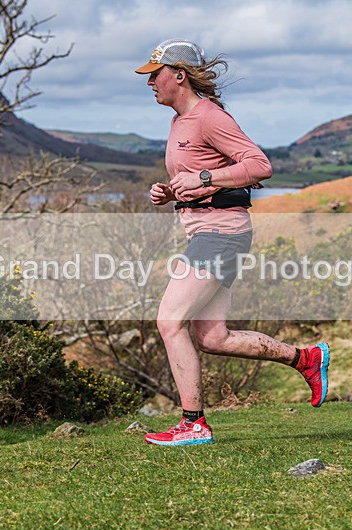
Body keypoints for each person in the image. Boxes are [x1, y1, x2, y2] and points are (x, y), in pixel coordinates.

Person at [135, 38, 329, 446]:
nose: (150, 82)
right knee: (212, 337)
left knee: (169, 321)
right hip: (210, 230)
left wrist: (202, 180)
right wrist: (173, 192)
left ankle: (193, 424)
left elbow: (260, 166)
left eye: (155, 75)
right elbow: (202, 176)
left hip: (220, 234)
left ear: (179, 75)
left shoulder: (209, 117)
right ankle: (306, 359)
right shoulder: (178, 121)